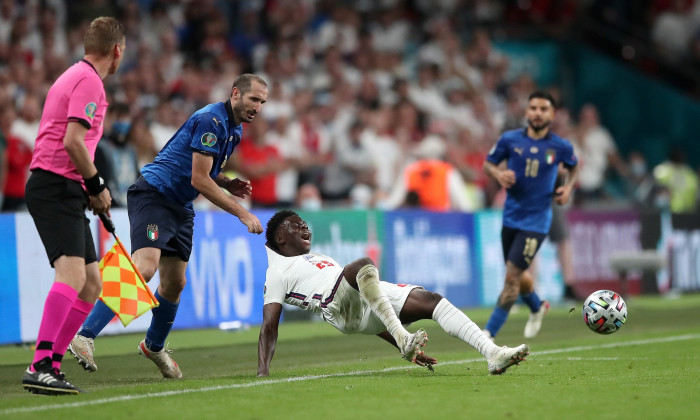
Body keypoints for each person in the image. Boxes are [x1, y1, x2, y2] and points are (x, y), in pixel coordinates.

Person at [69, 73, 269, 379]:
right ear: (236, 94)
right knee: (145, 267)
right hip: (155, 194)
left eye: (263, 102)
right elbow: (198, 179)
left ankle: (154, 345)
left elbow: (204, 169)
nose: (258, 106)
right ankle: (84, 334)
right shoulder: (211, 122)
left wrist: (228, 182)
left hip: (180, 206)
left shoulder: (235, 129)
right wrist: (242, 213)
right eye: (254, 99)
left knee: (175, 283)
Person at [257, 210, 530, 377]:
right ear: (280, 239)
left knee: (430, 301)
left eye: (305, 223)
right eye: (296, 225)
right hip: (337, 307)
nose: (305, 227)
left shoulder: (316, 257)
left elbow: (374, 305)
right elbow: (269, 326)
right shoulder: (277, 271)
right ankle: (404, 338)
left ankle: (492, 353)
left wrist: (401, 345)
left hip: (357, 299)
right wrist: (262, 372)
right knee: (363, 265)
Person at [21, 17, 125, 395]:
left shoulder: (73, 75)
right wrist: (97, 184)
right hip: (55, 185)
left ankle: (51, 364)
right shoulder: (89, 81)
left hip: (66, 187)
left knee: (92, 283)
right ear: (117, 50)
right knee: (72, 278)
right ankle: (39, 364)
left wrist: (90, 191)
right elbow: (73, 142)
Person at [482, 91, 578, 340]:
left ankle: (487, 335)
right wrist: (498, 175)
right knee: (518, 273)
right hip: (511, 217)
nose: (537, 113)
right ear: (526, 112)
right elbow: (488, 163)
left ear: (552, 114)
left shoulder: (560, 146)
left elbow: (573, 166)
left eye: (543, 109)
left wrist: (567, 188)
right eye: (533, 108)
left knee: (511, 277)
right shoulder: (509, 140)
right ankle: (537, 306)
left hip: (537, 221)